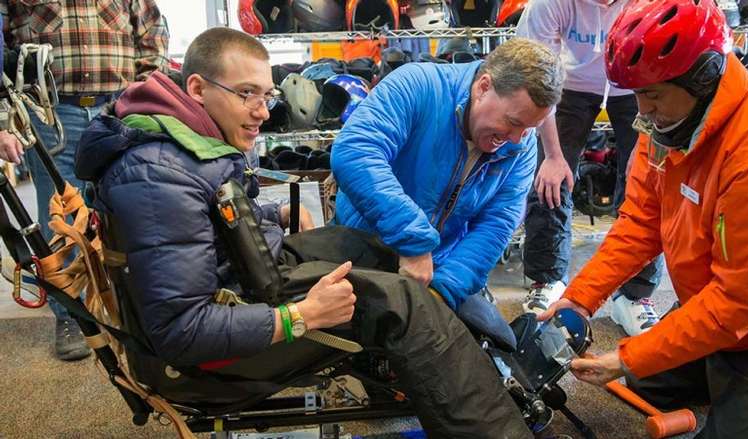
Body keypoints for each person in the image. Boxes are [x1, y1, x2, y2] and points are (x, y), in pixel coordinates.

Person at [74, 27, 533, 438]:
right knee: (406, 306)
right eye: (246, 94)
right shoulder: (158, 175)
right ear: (196, 88)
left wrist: (271, 218)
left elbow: (202, 222)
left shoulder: (178, 146)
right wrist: (305, 316)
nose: (261, 112)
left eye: (266, 96)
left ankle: (441, 377)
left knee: (372, 249)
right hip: (203, 356)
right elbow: (181, 332)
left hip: (248, 280)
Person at [540, 0, 748, 436]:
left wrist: (629, 356)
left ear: (703, 77)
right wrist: (580, 298)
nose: (642, 110)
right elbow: (639, 224)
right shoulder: (669, 127)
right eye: (636, 94)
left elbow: (740, 302)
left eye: (651, 95)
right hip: (708, 307)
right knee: (641, 380)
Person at [331, 38, 564, 309]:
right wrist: (414, 241)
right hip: (362, 251)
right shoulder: (418, 86)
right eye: (512, 123)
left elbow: (497, 223)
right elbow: (355, 151)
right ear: (484, 87)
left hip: (441, 267)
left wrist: (444, 291)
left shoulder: (521, 147)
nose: (516, 139)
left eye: (528, 129)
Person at [0, 0, 169, 361]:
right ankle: (73, 318)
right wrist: (3, 119)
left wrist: (142, 93)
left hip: (118, 106)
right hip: (48, 109)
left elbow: (152, 32)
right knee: (61, 223)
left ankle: (133, 308)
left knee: (132, 209)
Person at [515, 0, 663, 335]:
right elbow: (538, 79)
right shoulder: (549, 4)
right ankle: (548, 278)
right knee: (549, 178)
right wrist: (554, 156)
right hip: (566, 84)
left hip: (636, 80)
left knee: (651, 184)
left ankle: (635, 295)